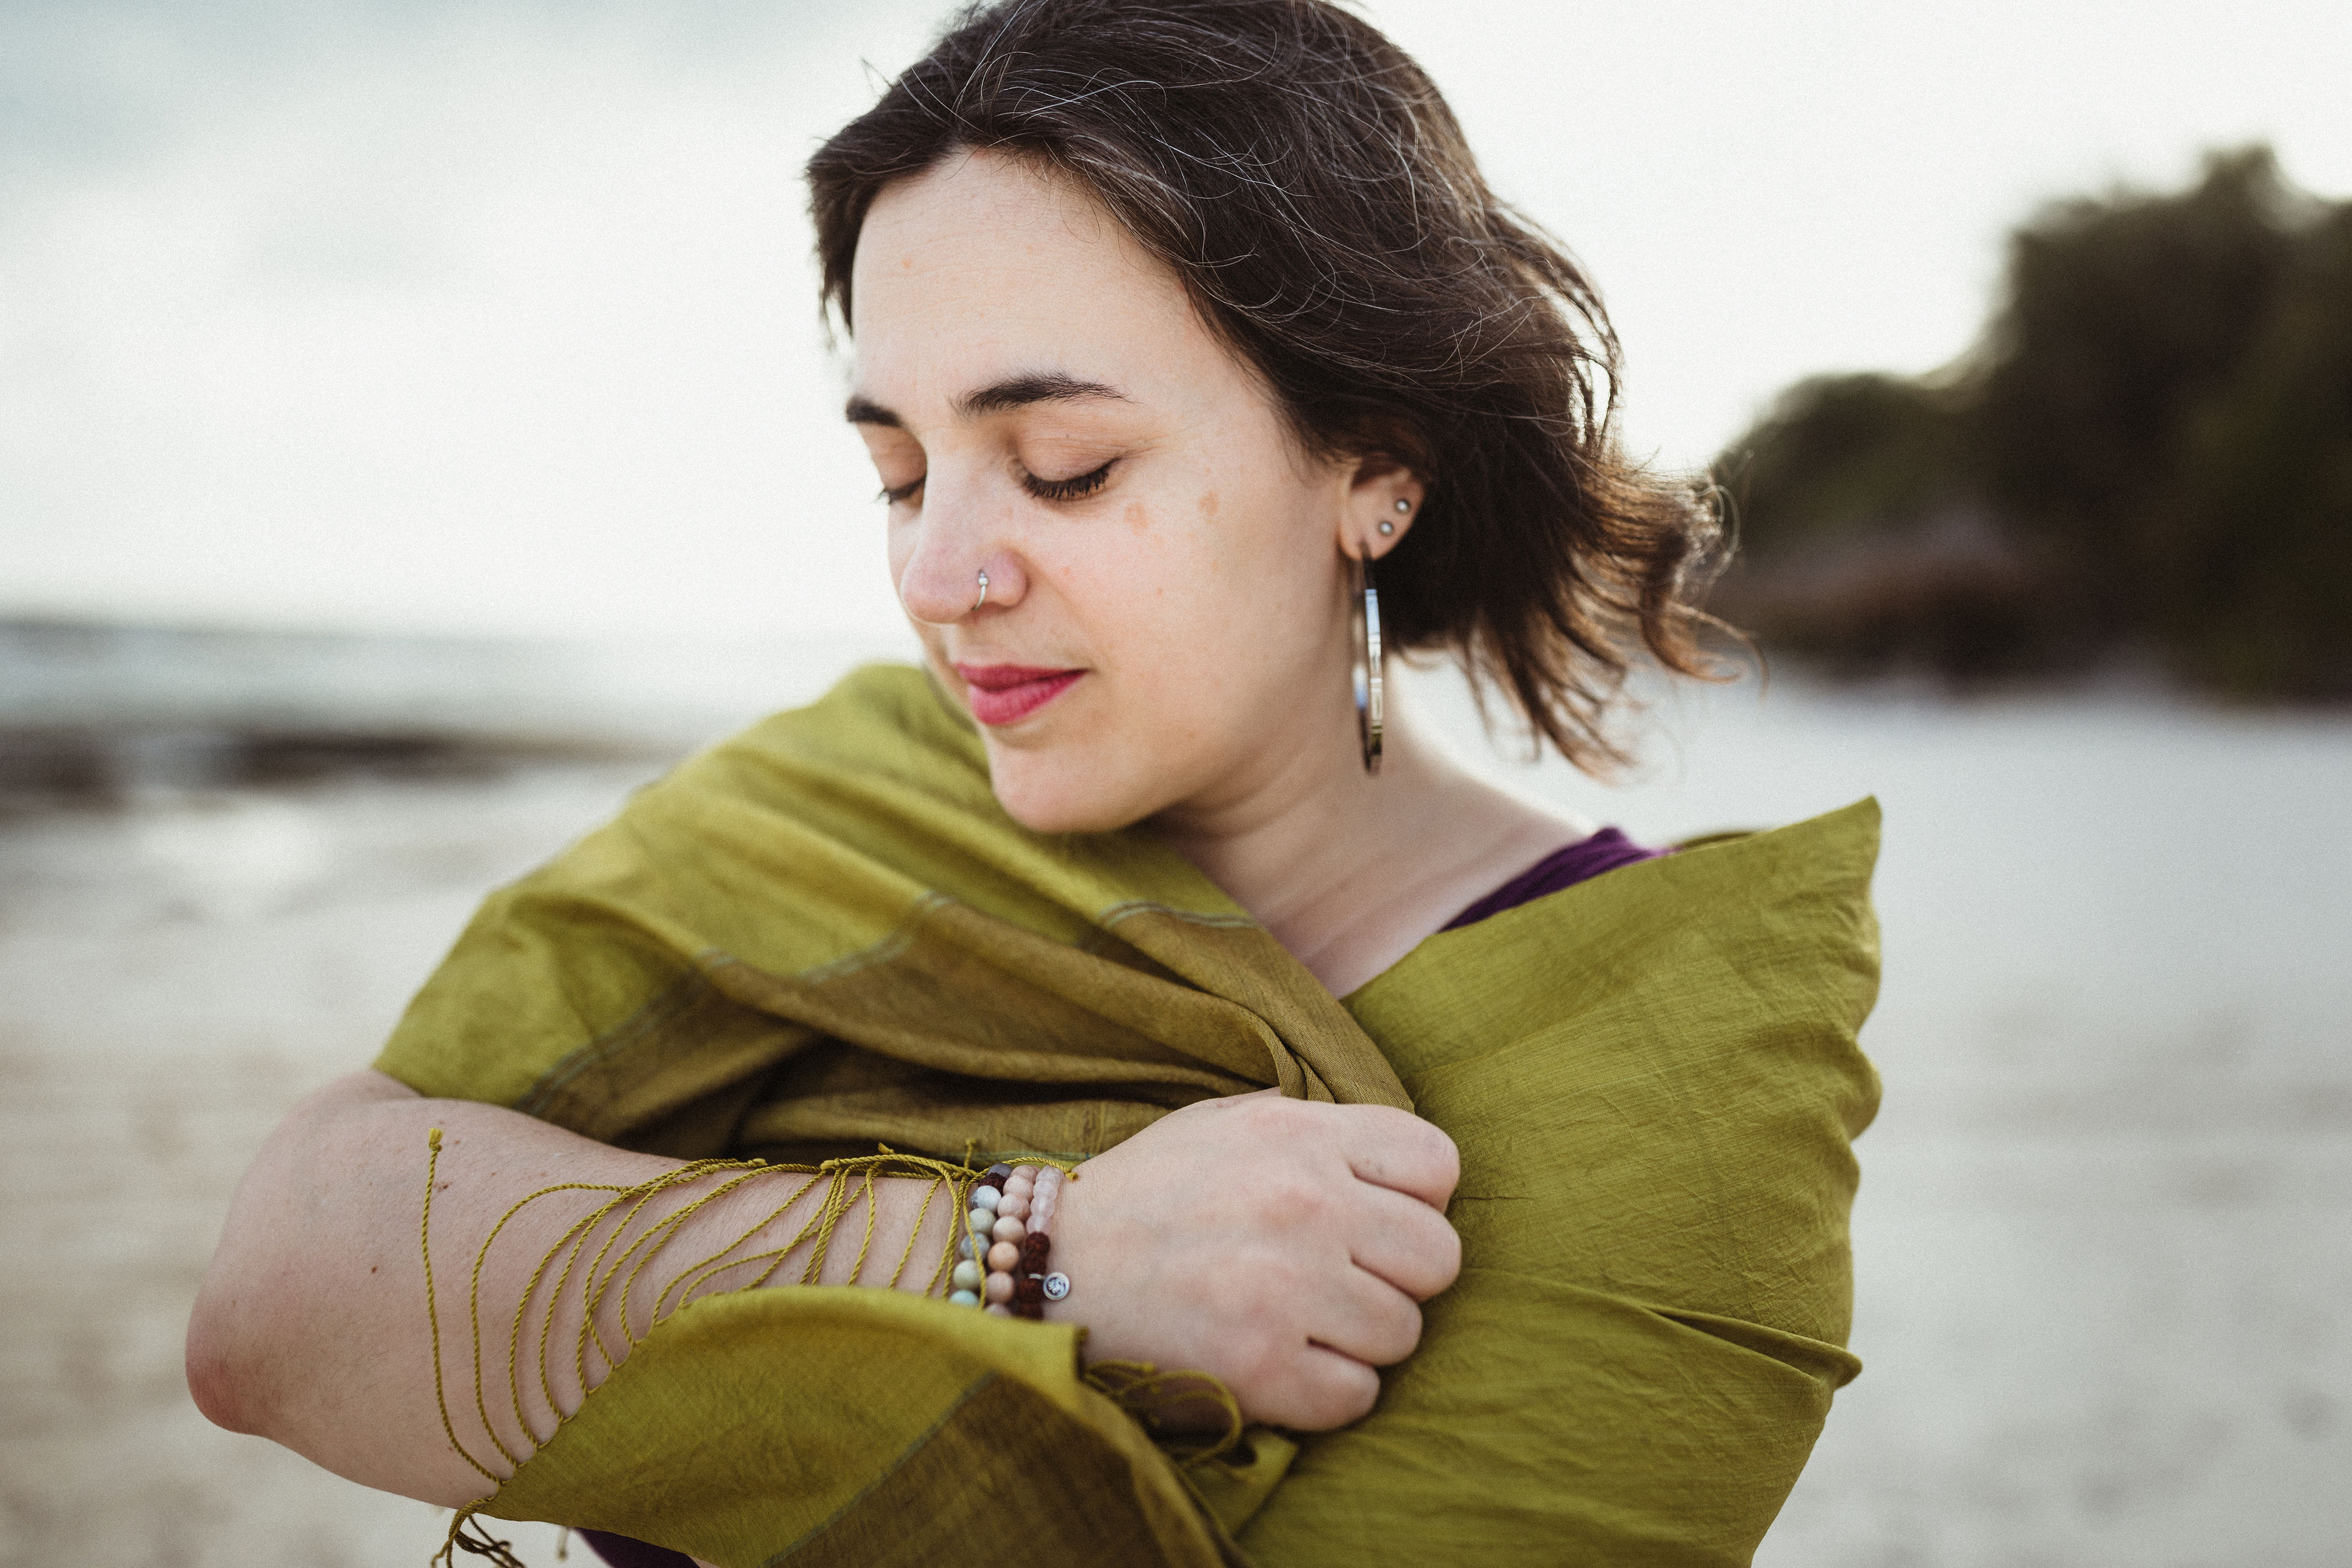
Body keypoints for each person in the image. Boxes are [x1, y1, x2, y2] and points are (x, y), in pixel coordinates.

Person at [186, 3, 1882, 1565]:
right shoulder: (838, 811)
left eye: (1062, 469)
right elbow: (278, 1295)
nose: (939, 573)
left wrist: (669, 1266)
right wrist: (1038, 1254)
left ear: (1375, 464)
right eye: (900, 473)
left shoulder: (1663, 1066)